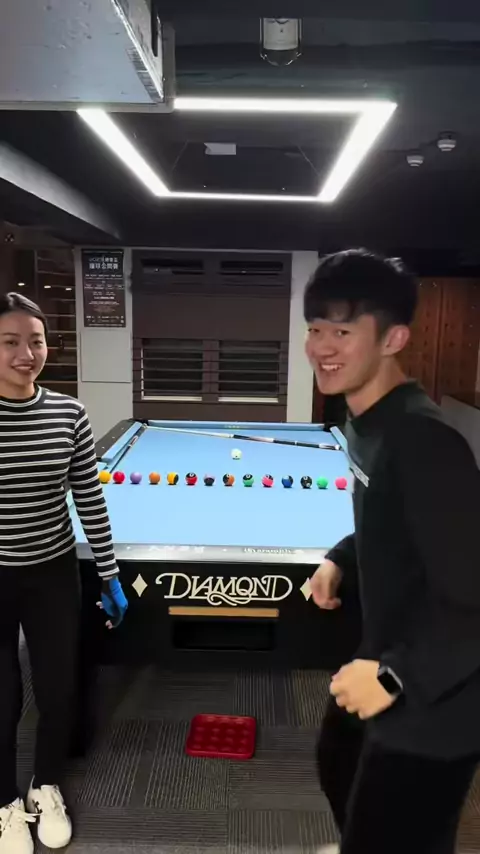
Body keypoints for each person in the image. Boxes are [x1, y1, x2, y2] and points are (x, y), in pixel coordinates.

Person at [304, 250, 480, 854]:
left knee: (399, 834)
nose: (322, 347)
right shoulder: (365, 420)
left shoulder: (425, 440)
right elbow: (394, 518)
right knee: (336, 760)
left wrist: (394, 674)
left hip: (441, 697)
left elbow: (474, 595)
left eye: (343, 332)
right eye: (315, 329)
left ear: (393, 338)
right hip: (387, 651)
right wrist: (342, 556)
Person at [0, 292, 128, 853]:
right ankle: (5, 804)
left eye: (36, 341)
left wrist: (109, 574)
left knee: (58, 689)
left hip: (53, 572)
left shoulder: (69, 413)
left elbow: (89, 498)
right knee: (3, 696)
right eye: (10, 342)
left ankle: (45, 785)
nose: (26, 354)